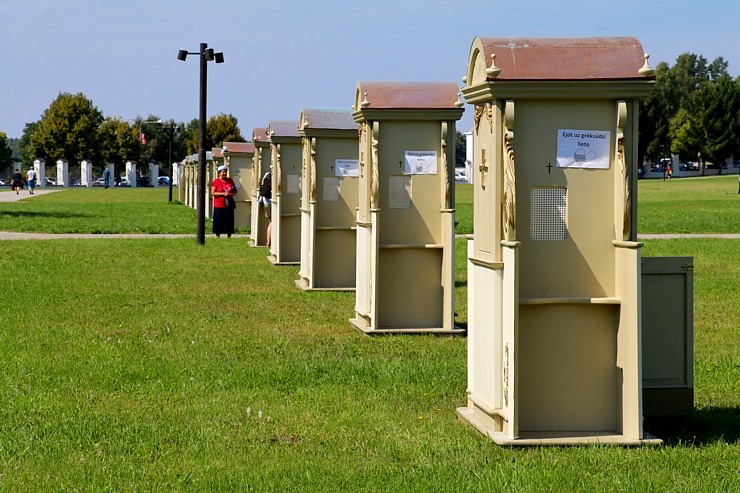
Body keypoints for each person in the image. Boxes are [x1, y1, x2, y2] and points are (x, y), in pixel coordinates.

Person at [211, 165, 238, 238]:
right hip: (219, 205)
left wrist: (231, 194)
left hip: (228, 204)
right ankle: (217, 235)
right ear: (219, 173)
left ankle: (229, 235)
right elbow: (213, 193)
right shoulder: (216, 181)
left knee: (229, 220)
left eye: (225, 172)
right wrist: (223, 194)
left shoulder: (230, 180)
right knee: (218, 220)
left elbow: (235, 191)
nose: (224, 174)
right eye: (223, 172)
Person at [258, 170, 272, 247]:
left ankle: (268, 241)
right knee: (272, 222)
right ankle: (269, 242)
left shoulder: (266, 176)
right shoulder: (272, 176)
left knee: (270, 221)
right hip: (271, 202)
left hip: (266, 201)